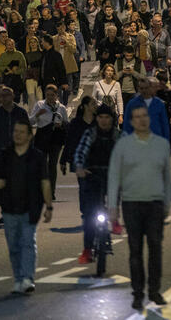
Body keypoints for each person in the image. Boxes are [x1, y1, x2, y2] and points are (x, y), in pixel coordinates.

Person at [107, 104, 171, 311]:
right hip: (131, 204)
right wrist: (112, 207)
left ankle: (154, 290)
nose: (142, 120)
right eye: (137, 117)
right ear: (131, 121)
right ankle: (137, 293)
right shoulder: (123, 146)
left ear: (149, 119)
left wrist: (167, 203)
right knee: (135, 251)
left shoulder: (161, 144)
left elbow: (167, 176)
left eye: (144, 116)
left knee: (155, 248)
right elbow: (114, 175)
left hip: (154, 203)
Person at [0, 120, 52, 295]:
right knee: (14, 246)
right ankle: (18, 278)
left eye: (22, 132)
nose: (17, 134)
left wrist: (49, 206)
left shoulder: (38, 157)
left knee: (28, 242)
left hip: (31, 207)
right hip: (8, 207)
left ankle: (27, 278)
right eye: (15, 131)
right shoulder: (5, 154)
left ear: (30, 136)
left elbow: (45, 182)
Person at [73, 104, 120, 264]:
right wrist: (79, 167)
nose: (104, 120)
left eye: (107, 117)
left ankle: (114, 220)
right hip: (92, 174)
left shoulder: (117, 135)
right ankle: (87, 250)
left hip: (111, 174)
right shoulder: (90, 133)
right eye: (101, 117)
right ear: (96, 118)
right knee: (88, 214)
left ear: (112, 119)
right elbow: (80, 152)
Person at [30, 84, 69, 200]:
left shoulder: (61, 108)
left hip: (55, 138)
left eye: (52, 95)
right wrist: (38, 114)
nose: (50, 98)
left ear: (57, 96)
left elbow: (67, 124)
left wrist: (61, 124)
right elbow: (31, 121)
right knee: (42, 165)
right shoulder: (39, 105)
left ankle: (51, 192)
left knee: (52, 165)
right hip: (42, 137)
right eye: (47, 95)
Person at [122, 77, 171, 147]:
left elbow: (164, 125)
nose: (144, 91)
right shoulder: (132, 104)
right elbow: (127, 125)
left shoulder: (159, 104)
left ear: (150, 88)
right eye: (141, 88)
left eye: (146, 88)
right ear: (138, 89)